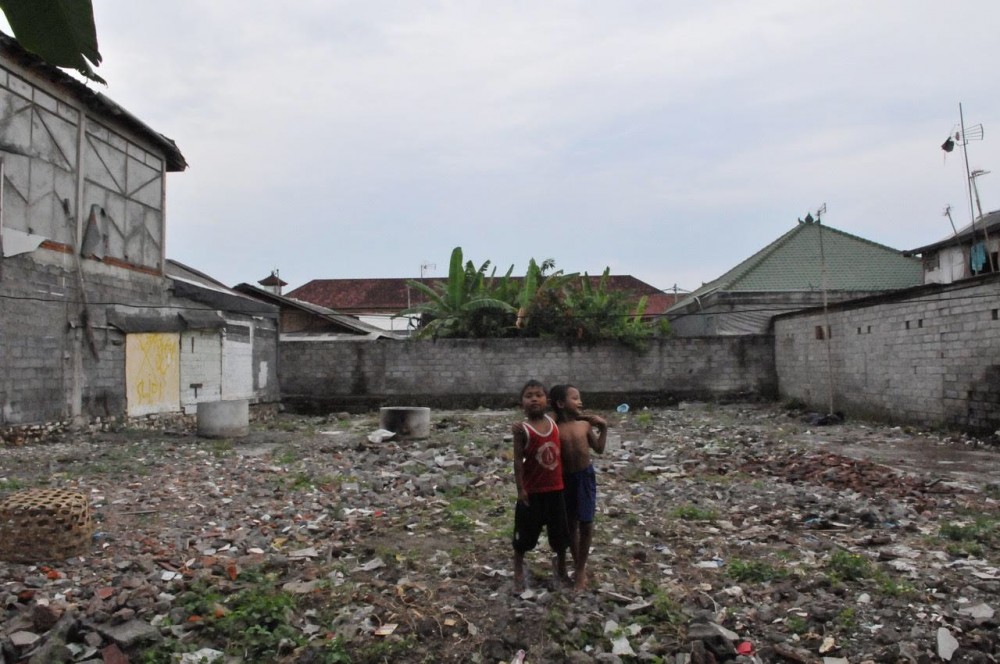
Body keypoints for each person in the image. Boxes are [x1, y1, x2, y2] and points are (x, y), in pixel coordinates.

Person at [511, 379, 570, 592]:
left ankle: (561, 568)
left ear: (548, 401)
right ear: (521, 404)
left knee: (560, 535)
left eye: (539, 394)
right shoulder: (522, 430)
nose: (534, 398)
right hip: (533, 492)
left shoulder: (553, 420)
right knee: (524, 536)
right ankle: (518, 569)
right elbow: (518, 460)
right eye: (529, 396)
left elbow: (571, 410)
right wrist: (520, 489)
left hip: (556, 489)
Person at [549, 383, 607, 590]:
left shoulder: (584, 426)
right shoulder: (553, 428)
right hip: (564, 480)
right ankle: (577, 562)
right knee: (571, 524)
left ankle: (581, 569)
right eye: (575, 398)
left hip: (584, 477)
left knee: (587, 523)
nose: (580, 402)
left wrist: (604, 427)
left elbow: (599, 449)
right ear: (561, 403)